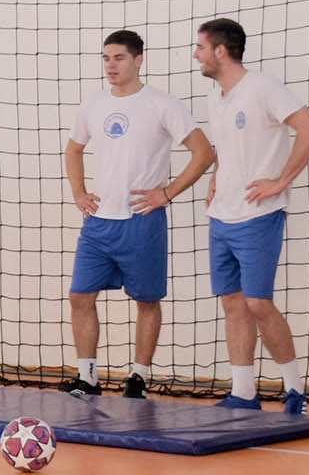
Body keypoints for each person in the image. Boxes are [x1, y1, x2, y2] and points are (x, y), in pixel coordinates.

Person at [65, 30, 214, 398]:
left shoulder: (163, 104)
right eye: (106, 58)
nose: (111, 65)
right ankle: (88, 378)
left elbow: (204, 153)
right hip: (99, 223)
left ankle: (138, 378)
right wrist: (80, 193)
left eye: (119, 58)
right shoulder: (93, 104)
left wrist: (166, 193)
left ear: (138, 60)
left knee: (147, 300)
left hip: (142, 221)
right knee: (80, 297)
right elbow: (73, 149)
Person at [192, 19, 309, 413]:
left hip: (258, 215)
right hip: (221, 215)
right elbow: (227, 146)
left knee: (258, 303)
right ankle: (244, 392)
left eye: (200, 48)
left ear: (220, 51)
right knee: (232, 303)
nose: (196, 56)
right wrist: (216, 176)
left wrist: (281, 181)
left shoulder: (263, 87)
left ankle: (295, 390)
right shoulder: (216, 97)